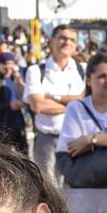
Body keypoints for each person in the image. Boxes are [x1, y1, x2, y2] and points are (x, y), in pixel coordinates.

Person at [56, 50, 107, 187]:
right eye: (102, 76)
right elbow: (73, 148)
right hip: (86, 187)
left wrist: (90, 140)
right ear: (89, 80)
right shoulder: (76, 108)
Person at [24, 26, 85, 179]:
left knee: (76, 192)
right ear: (52, 41)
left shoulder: (83, 69)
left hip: (77, 143)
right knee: (49, 192)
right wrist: (75, 103)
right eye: (62, 38)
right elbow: (38, 105)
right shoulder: (36, 71)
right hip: (47, 141)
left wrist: (51, 97)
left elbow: (87, 102)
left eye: (72, 40)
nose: (67, 42)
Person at [0, 52, 28, 152]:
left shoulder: (14, 78)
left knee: (23, 151)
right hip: (2, 123)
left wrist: (18, 77)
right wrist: (9, 106)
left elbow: (25, 93)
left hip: (18, 121)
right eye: (6, 64)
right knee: (6, 153)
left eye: (11, 63)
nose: (9, 67)